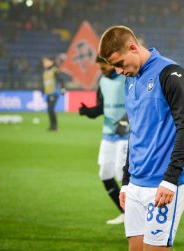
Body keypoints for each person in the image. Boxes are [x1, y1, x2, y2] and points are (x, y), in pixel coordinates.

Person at [99, 25, 184, 250]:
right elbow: (136, 132)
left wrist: (170, 179)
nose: (119, 71)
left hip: (163, 184)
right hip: (136, 184)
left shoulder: (170, 74)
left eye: (119, 63)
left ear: (133, 47)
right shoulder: (130, 80)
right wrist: (125, 182)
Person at [79, 55, 129, 224]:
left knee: (120, 174)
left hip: (126, 134)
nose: (101, 71)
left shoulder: (126, 79)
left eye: (103, 67)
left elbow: (135, 104)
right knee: (105, 174)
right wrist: (90, 112)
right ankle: (125, 212)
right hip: (108, 134)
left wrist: (125, 121)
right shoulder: (102, 81)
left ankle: (136, 213)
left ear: (111, 64)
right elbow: (102, 106)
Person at [42, 56, 64, 131]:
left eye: (45, 61)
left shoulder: (54, 70)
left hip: (54, 93)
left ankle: (54, 126)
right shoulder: (45, 72)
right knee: (49, 110)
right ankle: (52, 126)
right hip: (48, 93)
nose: (44, 63)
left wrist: (63, 90)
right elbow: (44, 83)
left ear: (51, 62)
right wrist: (42, 91)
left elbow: (61, 80)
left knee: (50, 109)